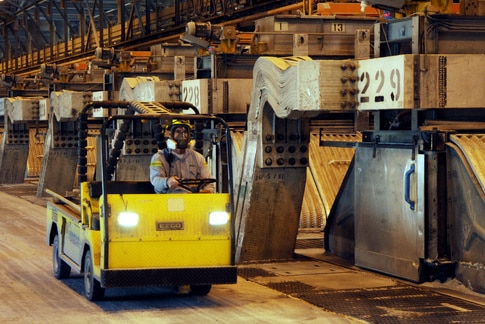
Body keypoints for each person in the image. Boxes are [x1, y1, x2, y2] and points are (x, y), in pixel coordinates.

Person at [150, 119, 215, 193]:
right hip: (167, 200)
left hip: (191, 200)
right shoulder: (159, 157)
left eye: (185, 132)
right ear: (170, 134)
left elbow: (208, 181)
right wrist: (167, 181)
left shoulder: (198, 157)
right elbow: (155, 180)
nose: (183, 135)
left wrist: (208, 191)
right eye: (178, 131)